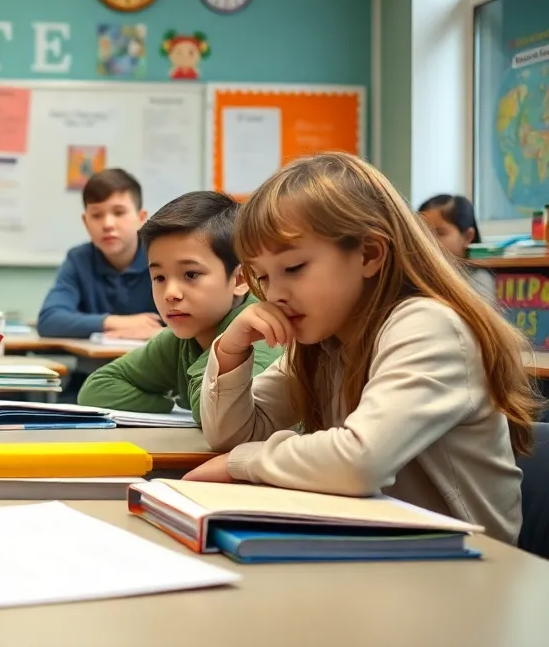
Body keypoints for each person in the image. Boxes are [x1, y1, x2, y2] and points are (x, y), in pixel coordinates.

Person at [187, 152, 539, 545]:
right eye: (263, 277)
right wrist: (231, 351)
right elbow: (233, 435)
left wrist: (243, 463)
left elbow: (360, 461)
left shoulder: (427, 325)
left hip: (465, 564)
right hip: (381, 547)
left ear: (369, 254)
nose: (274, 295)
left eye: (294, 268)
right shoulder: (325, 338)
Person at [78, 191, 282, 425]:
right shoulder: (180, 338)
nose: (170, 293)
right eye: (159, 277)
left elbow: (216, 416)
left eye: (191, 274)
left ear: (239, 279)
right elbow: (97, 388)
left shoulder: (260, 334)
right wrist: (168, 406)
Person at [37, 168, 162, 340]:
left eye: (119, 212)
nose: (108, 224)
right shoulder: (79, 260)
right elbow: (49, 320)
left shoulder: (163, 258)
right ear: (85, 222)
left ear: (141, 218)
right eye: (96, 215)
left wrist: (158, 333)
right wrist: (114, 322)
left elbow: (195, 321)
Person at [418, 193, 498, 305]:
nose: (428, 240)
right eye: (423, 232)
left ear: (467, 237)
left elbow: (479, 313)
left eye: (439, 233)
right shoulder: (417, 274)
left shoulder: (478, 278)